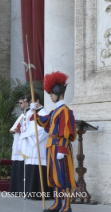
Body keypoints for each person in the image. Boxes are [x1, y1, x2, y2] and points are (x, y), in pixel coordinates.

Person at [30, 71, 77, 212]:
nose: (50, 95)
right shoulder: (55, 111)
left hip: (60, 148)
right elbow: (46, 123)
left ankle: (67, 206)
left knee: (64, 177)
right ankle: (57, 203)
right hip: (52, 147)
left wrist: (62, 150)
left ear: (59, 93)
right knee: (54, 177)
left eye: (51, 93)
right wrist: (36, 111)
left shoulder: (65, 111)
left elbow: (66, 133)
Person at [19, 94, 51, 199]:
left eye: (31, 101)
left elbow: (43, 129)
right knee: (30, 166)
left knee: (38, 167)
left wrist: (28, 136)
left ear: (37, 101)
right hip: (30, 144)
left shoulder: (44, 113)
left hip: (38, 144)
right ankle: (30, 192)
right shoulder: (32, 113)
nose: (30, 104)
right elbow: (26, 126)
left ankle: (39, 193)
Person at [9, 96, 28, 193]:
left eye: (21, 103)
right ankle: (15, 189)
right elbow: (13, 128)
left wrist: (17, 130)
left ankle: (20, 189)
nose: (19, 105)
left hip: (23, 146)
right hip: (17, 143)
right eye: (19, 103)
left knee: (21, 168)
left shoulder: (29, 115)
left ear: (26, 103)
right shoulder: (21, 115)